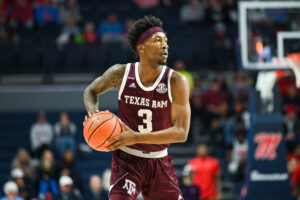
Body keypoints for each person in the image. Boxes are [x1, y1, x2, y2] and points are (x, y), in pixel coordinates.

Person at [83, 15, 191, 200]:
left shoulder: (176, 81)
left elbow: (181, 132)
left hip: (159, 160)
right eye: (157, 41)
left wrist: (135, 137)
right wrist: (94, 113)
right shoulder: (121, 73)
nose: (165, 45)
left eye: (166, 41)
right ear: (141, 48)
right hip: (127, 159)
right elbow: (91, 91)